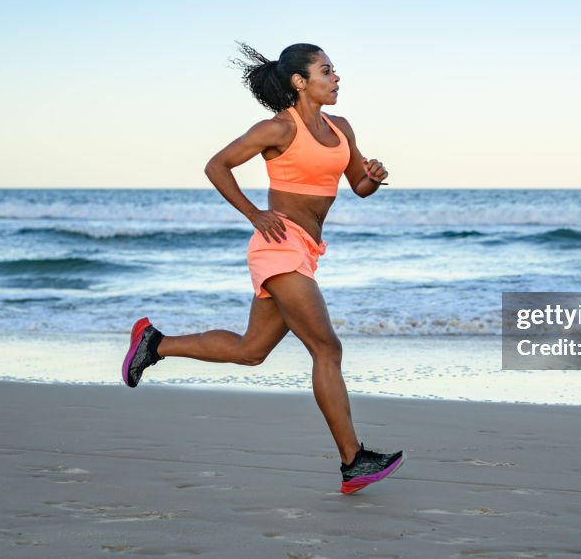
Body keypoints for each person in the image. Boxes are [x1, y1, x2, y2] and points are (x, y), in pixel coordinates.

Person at [121, 43, 404, 494]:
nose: (336, 78)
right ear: (300, 81)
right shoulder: (277, 129)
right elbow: (217, 165)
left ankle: (155, 344)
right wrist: (254, 214)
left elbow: (359, 187)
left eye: (334, 71)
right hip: (279, 245)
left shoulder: (341, 127)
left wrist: (373, 173)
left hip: (306, 248)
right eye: (326, 71)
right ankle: (354, 460)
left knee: (251, 350)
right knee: (327, 349)